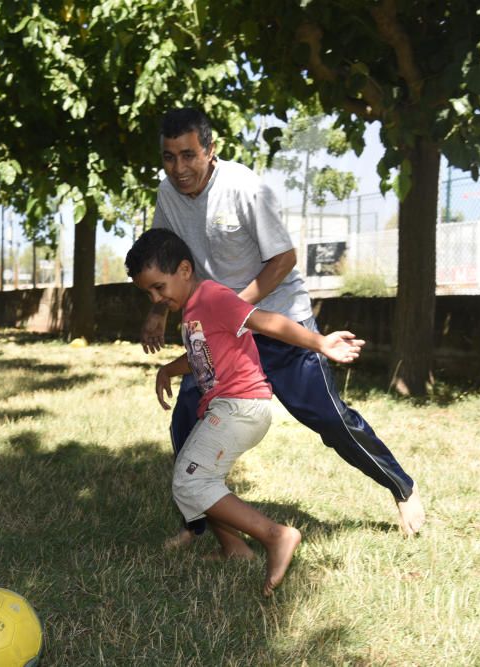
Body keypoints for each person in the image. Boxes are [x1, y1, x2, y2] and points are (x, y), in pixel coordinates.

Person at [143, 108, 425, 544]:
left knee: (330, 419)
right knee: (186, 419)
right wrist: (159, 312)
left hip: (277, 319)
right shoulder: (168, 194)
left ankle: (401, 487)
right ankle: (201, 528)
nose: (178, 168)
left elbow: (284, 259)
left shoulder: (246, 189)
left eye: (188, 155)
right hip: (222, 331)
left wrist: (233, 310)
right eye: (168, 157)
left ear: (210, 151)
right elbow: (161, 256)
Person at [125, 227, 365, 596]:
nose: (156, 298)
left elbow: (267, 322)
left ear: (185, 270)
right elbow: (201, 356)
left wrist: (321, 342)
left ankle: (276, 536)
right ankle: (234, 549)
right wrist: (167, 369)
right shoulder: (192, 310)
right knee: (200, 475)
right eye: (148, 293)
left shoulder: (212, 297)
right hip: (230, 408)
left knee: (190, 481)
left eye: (159, 287)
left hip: (240, 407)